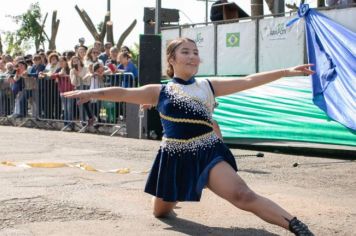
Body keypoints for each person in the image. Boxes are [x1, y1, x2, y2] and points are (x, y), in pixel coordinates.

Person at [64, 37, 315, 236]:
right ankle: (168, 199)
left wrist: (285, 71)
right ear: (171, 59)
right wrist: (92, 94)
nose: (192, 56)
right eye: (185, 51)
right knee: (161, 212)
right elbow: (123, 92)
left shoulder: (208, 86)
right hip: (175, 157)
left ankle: (296, 226)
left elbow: (248, 80)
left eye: (195, 52)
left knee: (243, 195)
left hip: (208, 152)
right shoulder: (159, 91)